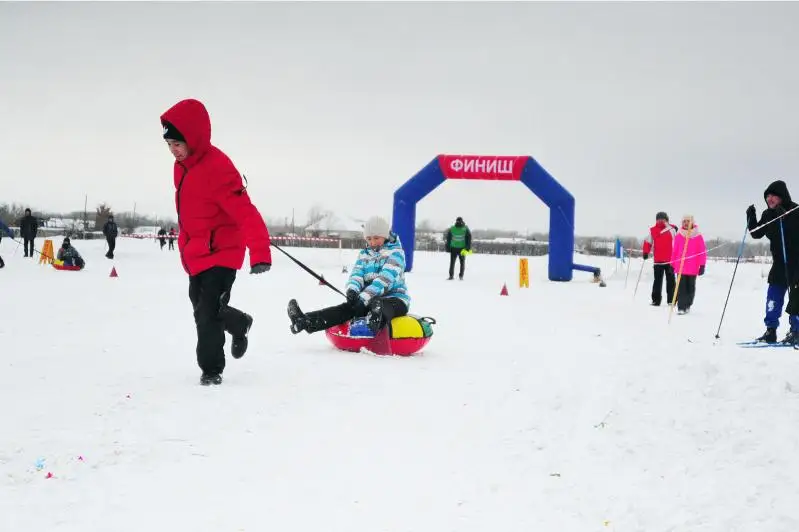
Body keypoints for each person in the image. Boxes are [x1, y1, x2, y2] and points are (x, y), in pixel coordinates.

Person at [161, 98, 272, 386]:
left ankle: (211, 370)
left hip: (223, 252)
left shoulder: (218, 167)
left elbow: (244, 210)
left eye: (178, 144)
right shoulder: (182, 167)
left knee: (207, 314)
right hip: (198, 253)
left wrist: (259, 251)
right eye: (170, 145)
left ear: (194, 138)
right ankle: (238, 323)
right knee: (201, 309)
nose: (174, 151)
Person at [287, 216, 410, 336]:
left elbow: (384, 280)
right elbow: (357, 274)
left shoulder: (396, 254)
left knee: (379, 304)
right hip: (367, 299)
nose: (372, 242)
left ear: (385, 235)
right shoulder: (364, 254)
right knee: (346, 309)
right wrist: (353, 290)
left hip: (395, 299)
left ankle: (374, 320)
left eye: (376, 238)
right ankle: (305, 321)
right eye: (368, 238)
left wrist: (363, 298)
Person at [747, 180, 799, 344]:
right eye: (767, 196)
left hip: (796, 264)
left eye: (773, 196)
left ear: (782, 196)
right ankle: (771, 331)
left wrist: (786, 218)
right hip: (779, 265)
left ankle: (796, 332)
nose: (769, 199)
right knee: (773, 298)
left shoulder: (796, 211)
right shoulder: (768, 215)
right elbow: (756, 233)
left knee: (796, 299)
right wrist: (751, 216)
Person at [669, 215, 706, 314]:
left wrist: (702, 265)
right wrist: (672, 265)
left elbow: (702, 251)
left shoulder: (698, 236)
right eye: (684, 221)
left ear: (692, 222)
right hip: (680, 267)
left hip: (693, 267)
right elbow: (674, 251)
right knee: (681, 287)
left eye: (688, 221)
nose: (686, 223)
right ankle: (681, 307)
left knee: (690, 287)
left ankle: (688, 304)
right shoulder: (679, 236)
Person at [641, 211, 678, 306]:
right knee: (657, 281)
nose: (660, 220)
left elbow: (679, 241)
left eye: (662, 218)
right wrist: (646, 252)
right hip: (658, 261)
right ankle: (656, 300)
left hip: (670, 260)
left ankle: (671, 300)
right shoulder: (653, 230)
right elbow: (648, 241)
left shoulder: (673, 229)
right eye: (658, 219)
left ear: (666, 219)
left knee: (671, 281)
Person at [445, 216, 472, 280]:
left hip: (453, 248)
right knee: (462, 263)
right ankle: (461, 276)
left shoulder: (452, 228)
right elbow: (469, 238)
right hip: (462, 249)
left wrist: (447, 247)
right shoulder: (465, 229)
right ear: (462, 221)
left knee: (452, 263)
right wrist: (468, 248)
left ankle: (451, 276)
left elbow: (448, 238)